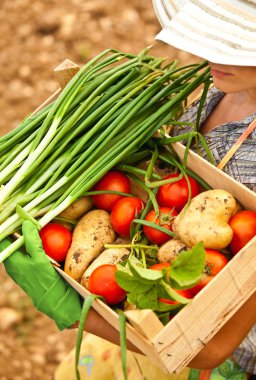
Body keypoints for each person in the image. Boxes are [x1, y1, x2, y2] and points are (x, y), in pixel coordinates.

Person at [1, 0, 256, 379]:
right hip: (139, 305)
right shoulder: (224, 84)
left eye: (237, 42)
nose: (213, 53)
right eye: (215, 32)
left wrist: (74, 311)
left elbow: (212, 350)